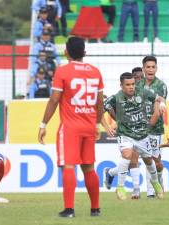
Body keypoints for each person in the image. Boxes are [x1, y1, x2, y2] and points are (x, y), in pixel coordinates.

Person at [38, 37, 104, 218]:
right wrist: (97, 124)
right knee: (89, 168)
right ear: (84, 52)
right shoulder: (95, 71)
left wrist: (43, 124)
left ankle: (69, 209)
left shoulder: (63, 71)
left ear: (66, 51)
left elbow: (54, 99)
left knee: (68, 166)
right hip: (89, 126)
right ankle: (95, 209)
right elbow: (100, 102)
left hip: (70, 127)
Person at [103, 72, 165, 200]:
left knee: (149, 159)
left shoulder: (143, 92)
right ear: (121, 85)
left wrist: (162, 104)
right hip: (125, 134)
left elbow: (159, 98)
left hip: (142, 134)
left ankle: (155, 182)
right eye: (128, 85)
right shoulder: (116, 98)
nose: (131, 87)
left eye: (132, 84)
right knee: (127, 155)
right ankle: (120, 187)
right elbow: (99, 110)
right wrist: (107, 127)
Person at [137, 56, 167, 198]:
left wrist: (147, 127)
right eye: (147, 67)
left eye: (153, 67)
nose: (150, 69)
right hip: (140, 127)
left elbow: (157, 111)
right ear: (143, 68)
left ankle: (159, 184)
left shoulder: (161, 85)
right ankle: (150, 192)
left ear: (156, 68)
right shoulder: (137, 85)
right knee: (142, 157)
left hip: (155, 129)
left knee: (156, 161)